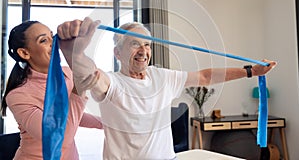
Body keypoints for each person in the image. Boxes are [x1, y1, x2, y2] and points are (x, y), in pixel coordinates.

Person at [57, 17, 277, 160]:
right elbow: (88, 74)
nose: (143, 50)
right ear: (118, 53)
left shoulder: (161, 76)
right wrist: (74, 53)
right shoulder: (113, 83)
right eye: (134, 43)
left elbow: (205, 76)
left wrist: (250, 72)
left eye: (147, 44)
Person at [0, 20, 103, 160]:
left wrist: (108, 124)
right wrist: (77, 92)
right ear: (24, 53)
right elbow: (58, 138)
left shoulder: (66, 74)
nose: (53, 43)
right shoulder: (18, 95)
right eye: (43, 40)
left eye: (52, 37)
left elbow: (69, 117)